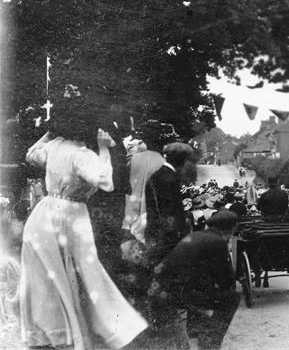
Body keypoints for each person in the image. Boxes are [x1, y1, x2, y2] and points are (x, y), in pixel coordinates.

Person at [21, 129, 148, 350]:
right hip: (70, 215)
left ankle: (54, 332)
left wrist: (50, 132)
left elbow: (31, 154)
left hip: (45, 212)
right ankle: (91, 330)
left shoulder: (55, 145)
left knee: (49, 274)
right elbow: (106, 183)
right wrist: (103, 148)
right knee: (84, 271)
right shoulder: (83, 154)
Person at [151, 209, 240, 350]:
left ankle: (195, 330)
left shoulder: (197, 235)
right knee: (231, 297)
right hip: (175, 294)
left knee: (200, 287)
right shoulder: (217, 241)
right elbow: (226, 281)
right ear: (232, 227)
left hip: (160, 289)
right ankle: (209, 343)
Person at [145, 142, 192, 265]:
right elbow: (168, 210)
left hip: (160, 233)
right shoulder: (168, 178)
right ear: (182, 161)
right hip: (167, 237)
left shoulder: (160, 173)